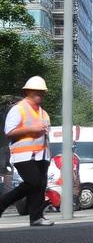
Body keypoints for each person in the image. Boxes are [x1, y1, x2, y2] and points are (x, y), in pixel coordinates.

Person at [0, 77, 55, 226]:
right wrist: (31, 129)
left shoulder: (43, 113)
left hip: (42, 155)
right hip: (23, 155)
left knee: (40, 185)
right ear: (27, 92)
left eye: (42, 92)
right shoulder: (18, 109)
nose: (40, 94)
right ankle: (3, 203)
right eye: (37, 91)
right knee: (33, 182)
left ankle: (36, 217)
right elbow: (9, 131)